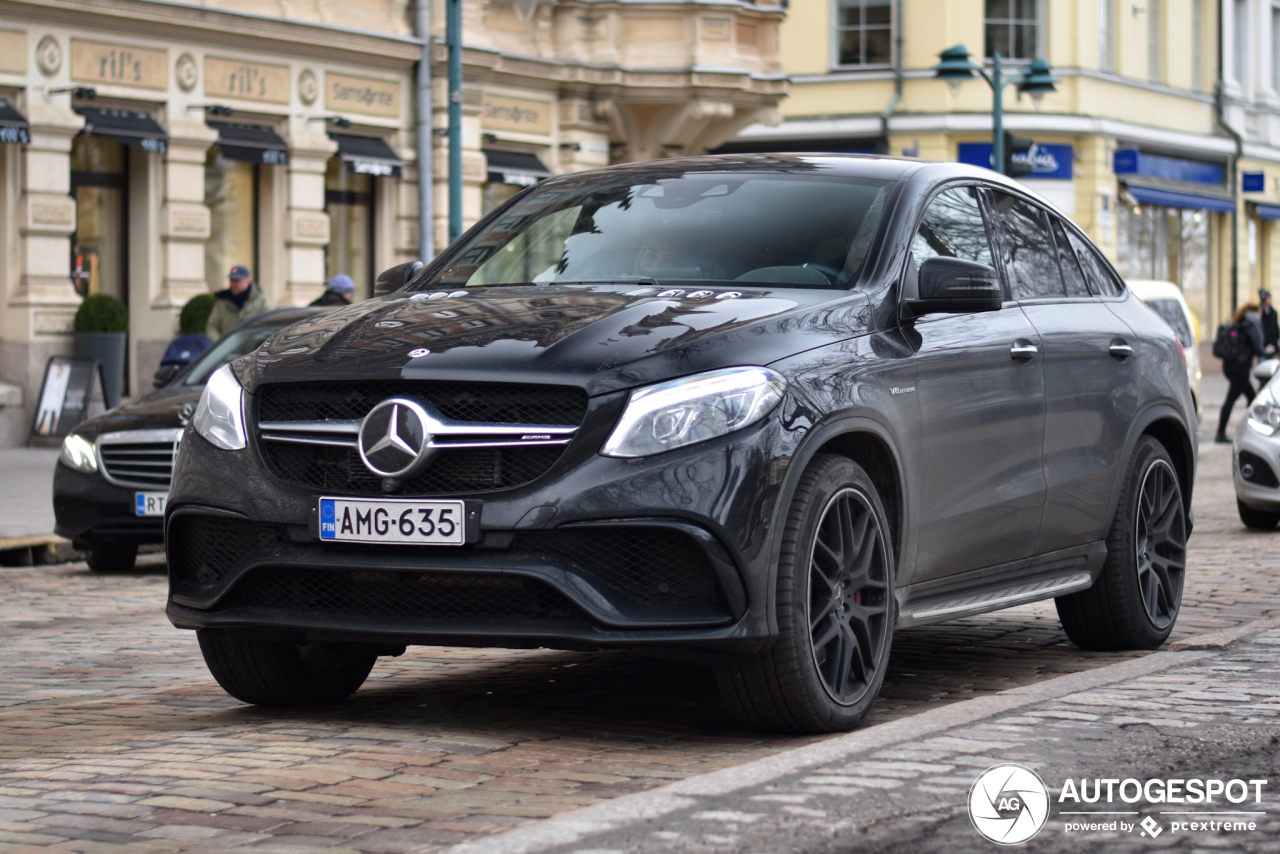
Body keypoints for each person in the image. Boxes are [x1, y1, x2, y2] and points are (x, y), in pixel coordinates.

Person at [1216, 302, 1266, 443]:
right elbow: (1257, 347)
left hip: (1231, 366)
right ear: (1254, 311)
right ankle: (1220, 434)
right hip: (1241, 368)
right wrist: (1267, 351)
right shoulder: (1250, 325)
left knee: (1252, 398)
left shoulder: (1239, 323)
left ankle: (1251, 431)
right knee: (1231, 400)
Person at [206, 265, 269, 341]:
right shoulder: (222, 302)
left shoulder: (261, 302)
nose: (233, 285)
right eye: (231, 281)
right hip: (227, 350)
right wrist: (220, 344)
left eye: (237, 281)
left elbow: (269, 326)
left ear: (247, 280)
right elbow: (212, 327)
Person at [1260, 289, 1279, 354]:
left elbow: (1275, 328)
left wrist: (1273, 341)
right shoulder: (1260, 312)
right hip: (1263, 345)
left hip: (1272, 344)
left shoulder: (1273, 312)